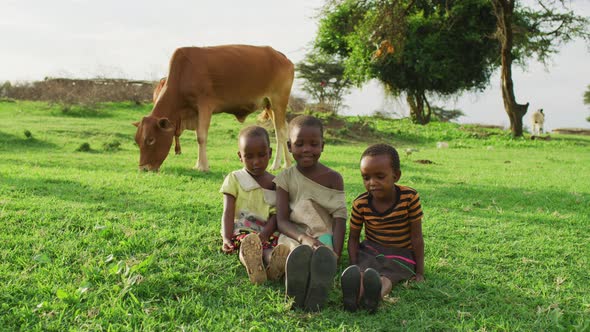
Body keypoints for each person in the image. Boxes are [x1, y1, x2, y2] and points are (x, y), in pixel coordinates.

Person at [274, 115, 347, 311]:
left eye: (314, 144)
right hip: (295, 233)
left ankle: (317, 284)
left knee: (323, 254)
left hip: (323, 234)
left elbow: (340, 218)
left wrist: (337, 252)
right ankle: (297, 284)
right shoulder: (284, 179)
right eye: (300, 144)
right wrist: (303, 238)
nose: (307, 149)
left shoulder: (334, 178)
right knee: (293, 252)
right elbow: (281, 221)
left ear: (323, 145)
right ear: (289, 146)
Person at [341, 143, 425, 313]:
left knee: (388, 277)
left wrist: (420, 272)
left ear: (396, 175)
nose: (372, 183)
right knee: (365, 270)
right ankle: (353, 297)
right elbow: (354, 238)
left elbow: (416, 237)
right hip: (371, 249)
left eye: (379, 176)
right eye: (366, 177)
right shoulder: (360, 204)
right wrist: (354, 265)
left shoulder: (409, 198)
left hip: (401, 252)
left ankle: (374, 297)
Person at [220, 125, 289, 285]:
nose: (256, 162)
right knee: (248, 246)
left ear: (270, 153)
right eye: (249, 156)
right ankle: (252, 265)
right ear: (240, 156)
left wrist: (264, 235)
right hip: (242, 231)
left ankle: (273, 262)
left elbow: (276, 215)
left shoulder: (276, 183)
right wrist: (226, 237)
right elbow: (228, 211)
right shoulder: (234, 178)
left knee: (267, 248)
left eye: (262, 155)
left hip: (267, 232)